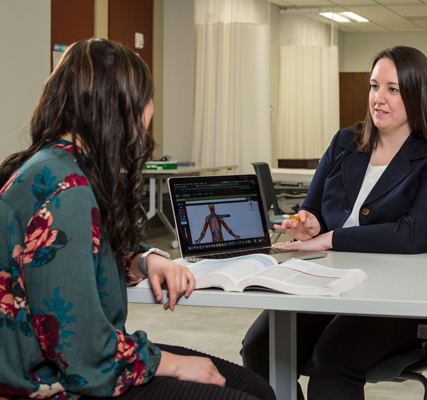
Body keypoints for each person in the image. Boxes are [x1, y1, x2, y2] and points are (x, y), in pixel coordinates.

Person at [0, 39, 274, 400]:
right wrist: (174, 364)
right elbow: (84, 355)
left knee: (254, 386)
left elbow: (79, 249)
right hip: (52, 383)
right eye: (147, 98)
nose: (151, 112)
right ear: (120, 106)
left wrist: (144, 257)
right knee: (247, 395)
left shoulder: (50, 166)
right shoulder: (68, 190)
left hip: (62, 362)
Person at [241, 46, 427, 399]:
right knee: (259, 349)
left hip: (398, 294)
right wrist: (308, 225)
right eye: (374, 86)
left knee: (333, 360)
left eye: (393, 89)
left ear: (418, 94)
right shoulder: (345, 141)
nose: (379, 98)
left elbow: (415, 236)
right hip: (325, 281)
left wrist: (330, 239)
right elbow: (311, 209)